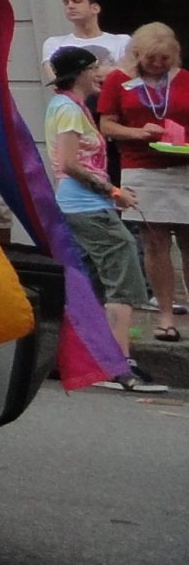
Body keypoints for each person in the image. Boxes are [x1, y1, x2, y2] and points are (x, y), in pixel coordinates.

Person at [46, 45, 168, 391]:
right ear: (81, 73)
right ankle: (118, 365)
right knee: (123, 278)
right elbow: (70, 163)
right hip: (87, 207)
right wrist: (114, 192)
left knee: (89, 284)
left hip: (79, 206)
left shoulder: (68, 106)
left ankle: (84, 359)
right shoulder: (69, 110)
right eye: (95, 67)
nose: (101, 73)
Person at [98, 22, 186, 342]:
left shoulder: (184, 79)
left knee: (188, 242)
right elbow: (107, 126)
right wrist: (138, 133)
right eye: (151, 59)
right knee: (155, 242)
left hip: (183, 166)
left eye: (165, 59)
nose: (158, 65)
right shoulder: (119, 81)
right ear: (137, 54)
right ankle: (165, 316)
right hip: (141, 167)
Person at [43, 0, 132, 77]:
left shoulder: (121, 41)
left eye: (77, 1)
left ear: (95, 8)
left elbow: (131, 74)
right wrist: (111, 70)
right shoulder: (54, 43)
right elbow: (56, 79)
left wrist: (77, 72)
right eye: (66, 2)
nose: (70, 6)